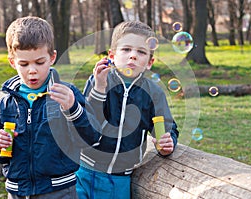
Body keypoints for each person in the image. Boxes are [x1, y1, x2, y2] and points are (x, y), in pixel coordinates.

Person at [0, 16, 101, 199]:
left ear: (52, 58)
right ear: (12, 62)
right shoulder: (6, 104)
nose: (32, 70)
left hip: (59, 190)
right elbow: (0, 155)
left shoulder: (67, 94)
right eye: (24, 64)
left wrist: (73, 109)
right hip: (17, 191)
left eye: (39, 62)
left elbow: (92, 139)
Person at [76, 21, 179, 199]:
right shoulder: (98, 81)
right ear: (112, 56)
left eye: (141, 52)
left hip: (119, 179)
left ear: (149, 62)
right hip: (83, 171)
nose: (133, 56)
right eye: (126, 50)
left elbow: (166, 127)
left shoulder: (153, 93)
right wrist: (100, 88)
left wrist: (167, 143)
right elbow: (87, 123)